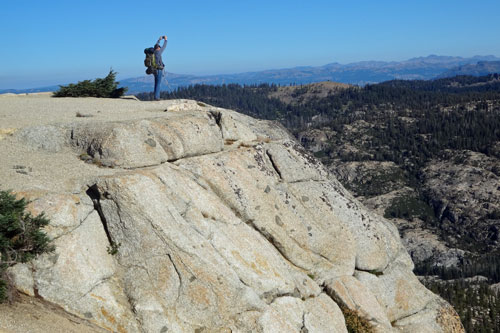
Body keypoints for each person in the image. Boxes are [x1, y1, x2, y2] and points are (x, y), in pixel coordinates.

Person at [153, 35, 168, 100]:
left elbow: (156, 45)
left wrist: (159, 40)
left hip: (154, 69)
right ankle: (157, 97)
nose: (160, 48)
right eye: (159, 47)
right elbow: (164, 46)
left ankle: (156, 96)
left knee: (156, 83)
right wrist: (165, 40)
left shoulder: (153, 52)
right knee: (158, 83)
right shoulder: (158, 52)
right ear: (158, 48)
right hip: (159, 69)